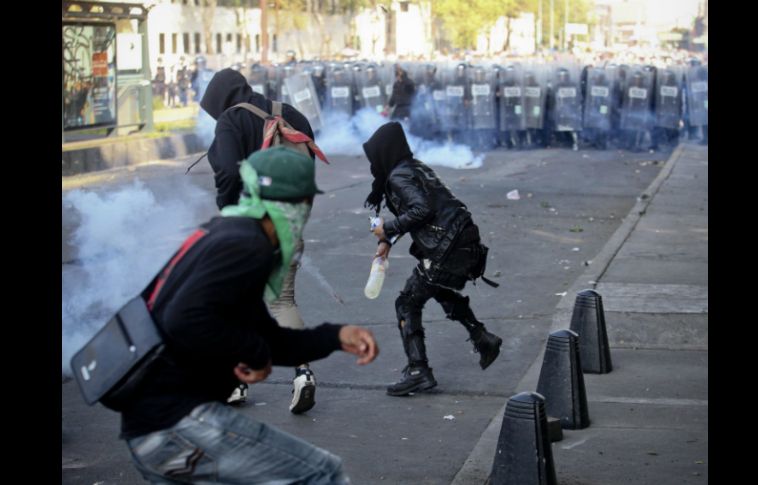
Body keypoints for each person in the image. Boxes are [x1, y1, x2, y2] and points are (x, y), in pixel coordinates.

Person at [119, 147, 378, 484]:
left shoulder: (227, 234)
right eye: (304, 203)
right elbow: (185, 319)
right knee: (322, 473)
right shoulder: (247, 244)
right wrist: (252, 354)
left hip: (151, 428)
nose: (306, 213)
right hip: (177, 422)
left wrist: (335, 336)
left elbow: (269, 339)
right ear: (292, 203)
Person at [200, 68, 320, 413]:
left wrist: (227, 209)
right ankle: (303, 374)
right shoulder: (290, 114)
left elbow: (225, 170)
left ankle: (235, 381)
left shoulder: (230, 121)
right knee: (282, 301)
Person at [363, 122, 503, 397]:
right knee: (437, 288)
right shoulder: (415, 167)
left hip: (448, 248)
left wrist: (387, 229)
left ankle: (418, 371)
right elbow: (425, 211)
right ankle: (482, 338)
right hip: (461, 242)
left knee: (407, 302)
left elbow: (422, 210)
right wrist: (386, 242)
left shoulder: (398, 177)